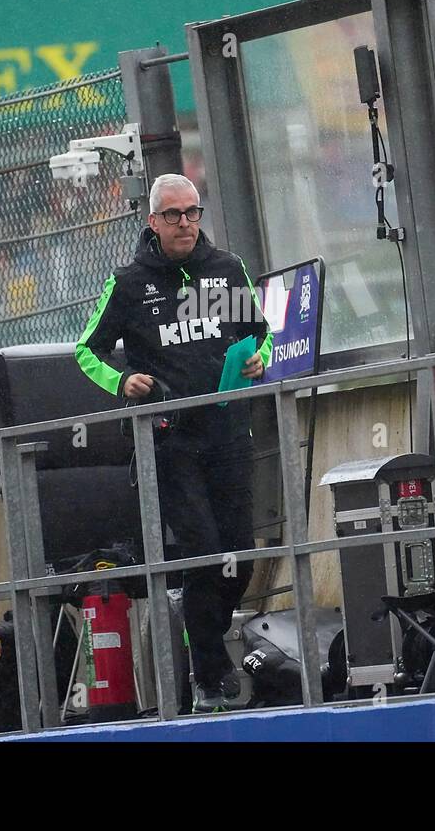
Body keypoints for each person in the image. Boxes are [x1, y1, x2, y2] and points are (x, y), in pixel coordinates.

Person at [76, 173, 272, 712]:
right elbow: (86, 352)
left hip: (230, 433)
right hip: (170, 443)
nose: (184, 223)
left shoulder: (228, 270)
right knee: (204, 551)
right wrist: (122, 382)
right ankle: (210, 666)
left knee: (240, 557)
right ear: (152, 221)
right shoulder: (129, 282)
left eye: (192, 213)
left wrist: (259, 362)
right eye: (173, 215)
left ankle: (197, 623)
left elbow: (261, 336)